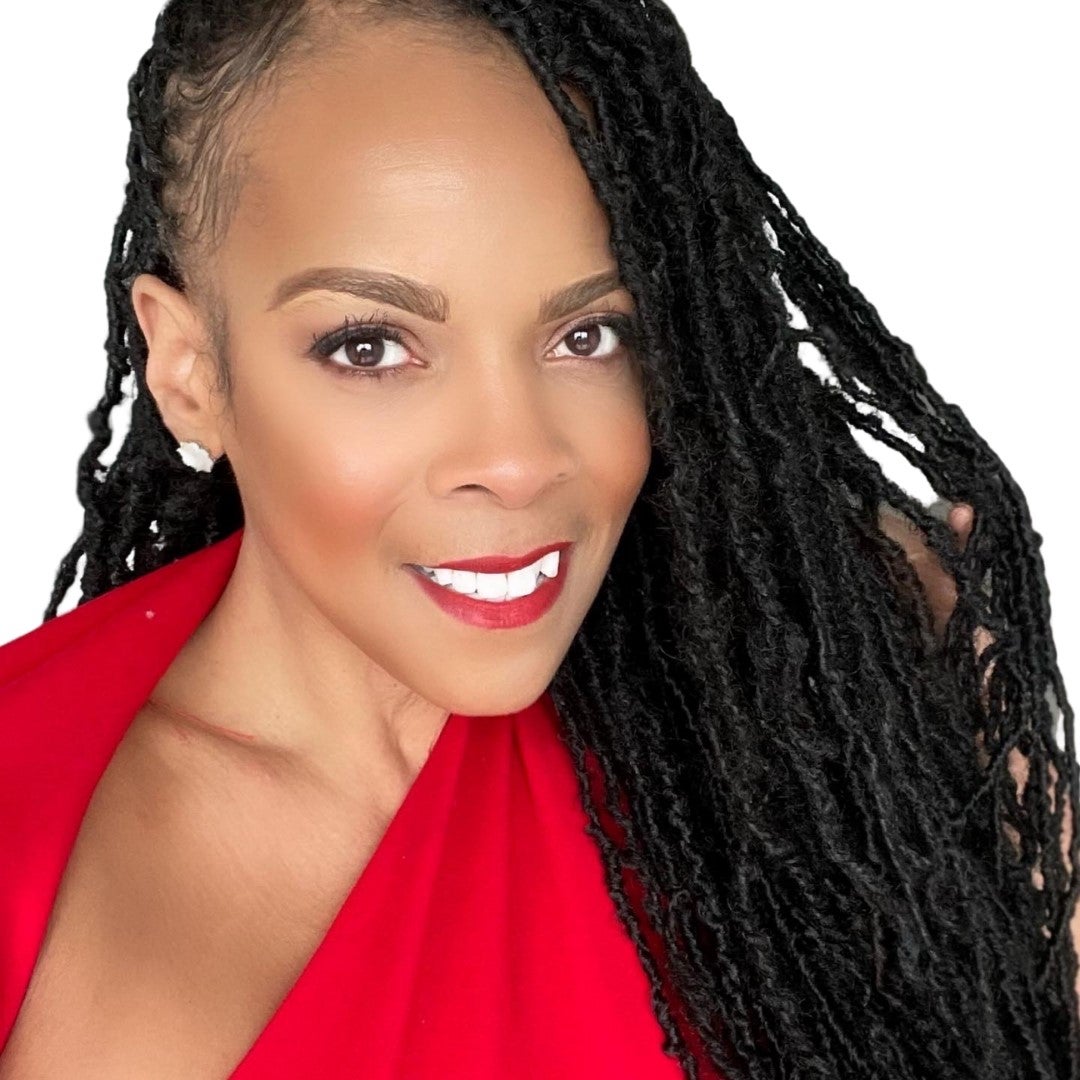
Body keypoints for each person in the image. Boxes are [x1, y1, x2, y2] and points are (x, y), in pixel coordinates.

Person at [0, 1, 1076, 1077]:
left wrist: (1008, 796)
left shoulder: (792, 787)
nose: (516, 460)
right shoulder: (24, 794)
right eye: (371, 347)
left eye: (587, 334)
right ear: (190, 371)